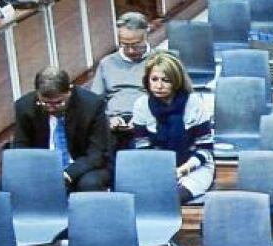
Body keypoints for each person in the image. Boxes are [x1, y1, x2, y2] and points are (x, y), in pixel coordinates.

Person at [131, 52, 214, 203]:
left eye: (166, 80)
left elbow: (206, 150)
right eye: (154, 79)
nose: (159, 86)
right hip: (156, 168)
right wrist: (162, 172)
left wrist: (183, 169)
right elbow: (143, 149)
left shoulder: (195, 103)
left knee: (173, 198)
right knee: (146, 198)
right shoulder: (141, 105)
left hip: (193, 166)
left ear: (177, 81)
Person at [11, 67, 111, 192]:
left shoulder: (92, 105)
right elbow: (20, 147)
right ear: (37, 94)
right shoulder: (24, 106)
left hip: (83, 166)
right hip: (43, 167)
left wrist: (68, 174)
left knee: (90, 183)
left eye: (58, 103)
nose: (51, 108)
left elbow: (97, 153)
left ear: (69, 91)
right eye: (45, 103)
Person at [89, 12, 152, 151]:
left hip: (149, 120)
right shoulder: (107, 63)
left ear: (146, 34)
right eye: (125, 44)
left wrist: (144, 118)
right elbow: (94, 103)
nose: (131, 50)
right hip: (114, 123)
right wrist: (108, 119)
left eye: (136, 44)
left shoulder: (160, 60)